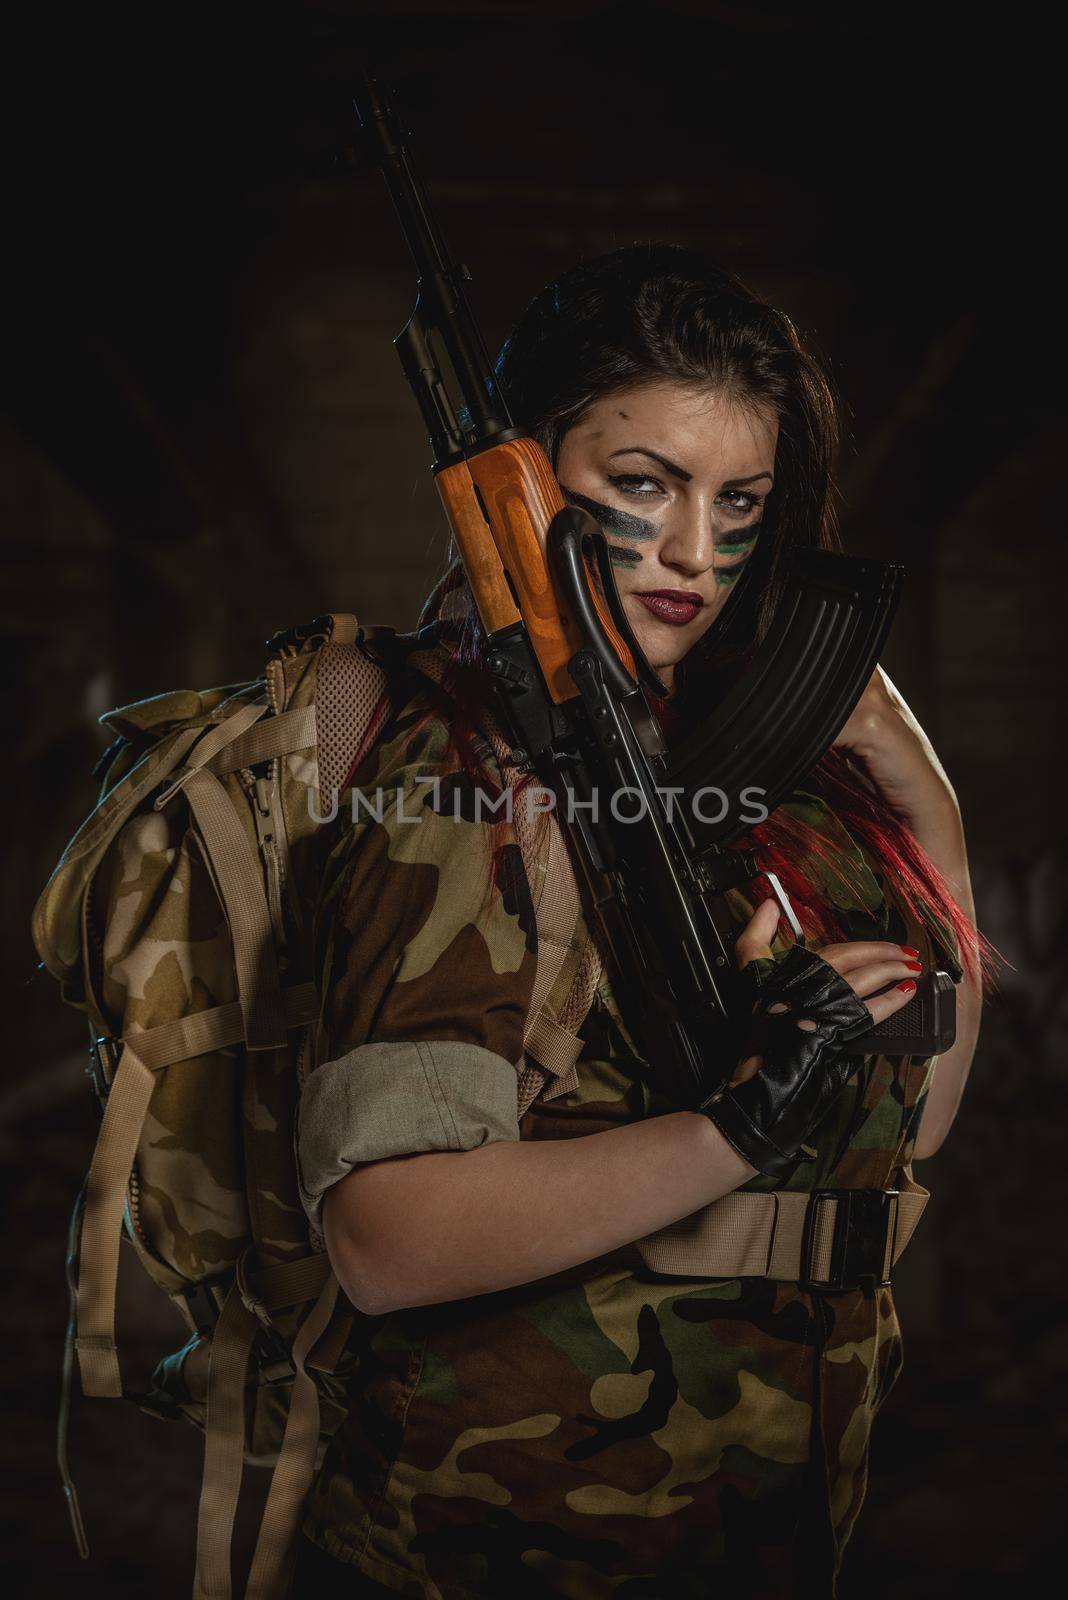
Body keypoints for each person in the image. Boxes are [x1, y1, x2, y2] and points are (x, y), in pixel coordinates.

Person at [289, 245, 984, 1599]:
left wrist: (924, 794)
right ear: (535, 483)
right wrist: (728, 1130)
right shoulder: (466, 767)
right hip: (502, 1532)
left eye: (741, 502)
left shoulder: (759, 750)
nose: (692, 552)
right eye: (643, 485)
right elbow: (387, 1237)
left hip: (753, 1512)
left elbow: (920, 1118)